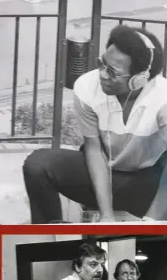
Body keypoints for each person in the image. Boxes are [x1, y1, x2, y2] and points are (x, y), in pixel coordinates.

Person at [23, 25, 167, 223]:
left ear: (139, 80)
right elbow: (93, 150)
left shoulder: (163, 99)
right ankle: (51, 229)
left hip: (146, 183)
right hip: (101, 176)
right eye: (101, 64)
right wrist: (106, 215)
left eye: (112, 72)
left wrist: (153, 220)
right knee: (38, 165)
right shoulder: (87, 86)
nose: (102, 74)